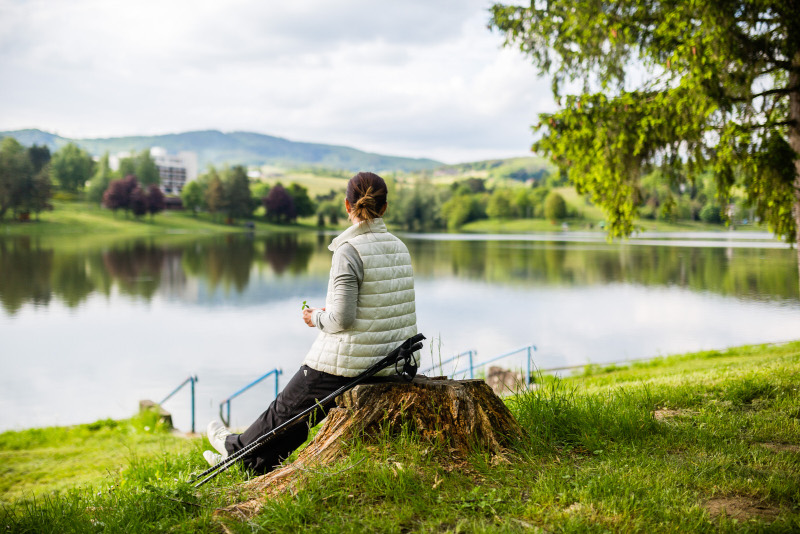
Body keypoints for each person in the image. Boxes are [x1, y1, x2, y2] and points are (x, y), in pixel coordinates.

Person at [203, 171, 419, 474]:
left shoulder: (349, 250)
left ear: (347, 205)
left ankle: (234, 448)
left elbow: (341, 319)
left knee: (289, 404)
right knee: (300, 409)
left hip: (357, 363)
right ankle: (253, 464)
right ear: (384, 207)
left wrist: (315, 317)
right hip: (395, 360)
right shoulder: (399, 247)